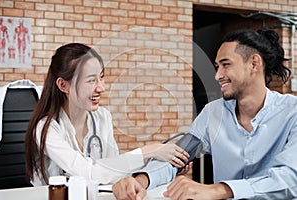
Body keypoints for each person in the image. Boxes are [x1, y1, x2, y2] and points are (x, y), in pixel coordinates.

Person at [112, 29, 297, 199]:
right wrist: (140, 181)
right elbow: (178, 155)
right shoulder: (212, 113)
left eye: (225, 65)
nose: (217, 75)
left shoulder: (292, 112)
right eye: (217, 67)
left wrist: (216, 190)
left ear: (254, 63)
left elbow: (290, 179)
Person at [25, 43, 189, 186]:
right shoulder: (46, 128)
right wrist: (149, 151)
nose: (101, 88)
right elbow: (88, 172)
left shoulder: (102, 117)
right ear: (63, 85)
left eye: (101, 78)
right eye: (91, 80)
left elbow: (114, 170)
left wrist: (162, 164)